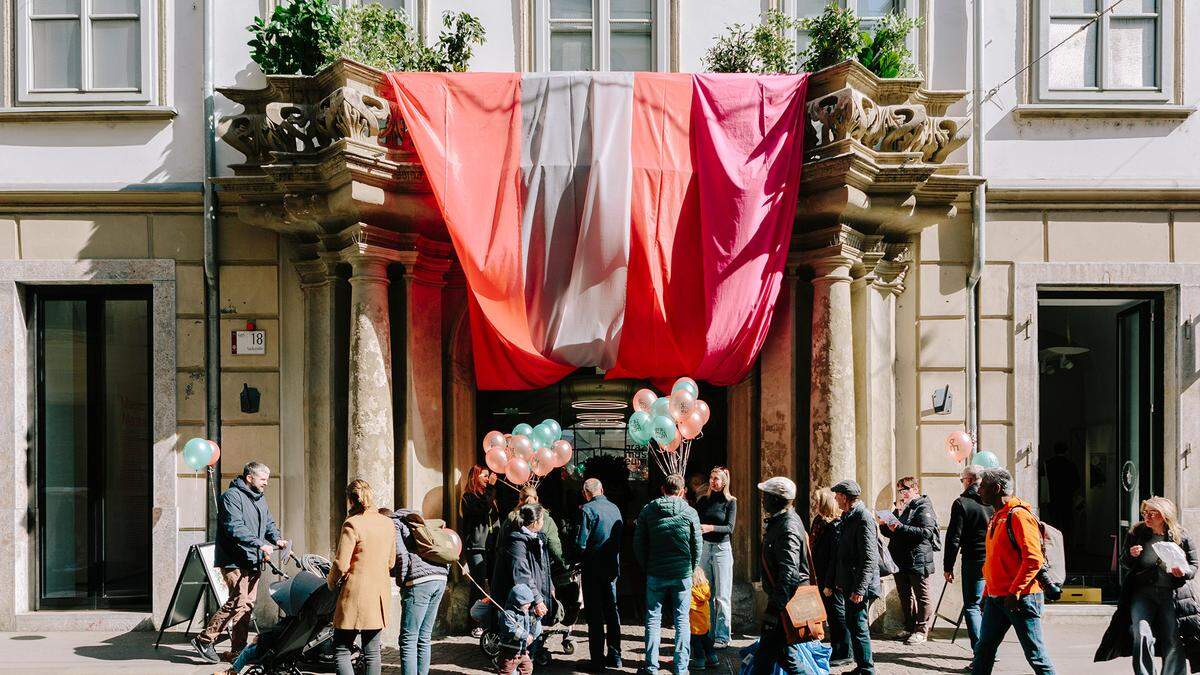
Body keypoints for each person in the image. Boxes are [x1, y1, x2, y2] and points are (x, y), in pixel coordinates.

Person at [192, 461, 289, 664]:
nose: (266, 484)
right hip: (233, 559)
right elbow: (234, 527)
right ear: (250, 478)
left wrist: (276, 538)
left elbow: (268, 523)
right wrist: (259, 544)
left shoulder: (259, 498)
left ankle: (238, 651)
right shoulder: (231, 497)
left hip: (252, 558)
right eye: (263, 479)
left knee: (246, 606)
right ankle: (204, 639)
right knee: (237, 601)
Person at [1096, 496, 1200, 675]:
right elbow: (1124, 562)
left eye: (1153, 513)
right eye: (1145, 513)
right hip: (1143, 593)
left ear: (1165, 515)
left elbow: (1194, 565)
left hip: (1172, 594)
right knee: (1141, 633)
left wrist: (1183, 572)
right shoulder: (1137, 533)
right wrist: (1132, 555)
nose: (1147, 517)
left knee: (1172, 637)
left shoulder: (1180, 535)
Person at [971, 467, 1055, 675]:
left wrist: (1015, 591)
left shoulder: (1018, 516)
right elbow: (994, 561)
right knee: (984, 650)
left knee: (1036, 655)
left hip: (1021, 598)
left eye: (982, 486)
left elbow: (1033, 559)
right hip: (997, 597)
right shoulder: (998, 515)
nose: (978, 490)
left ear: (997, 488)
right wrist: (986, 593)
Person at [634, 473, 703, 675]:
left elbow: (638, 543)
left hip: (656, 572)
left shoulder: (648, 510)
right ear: (682, 491)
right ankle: (681, 668)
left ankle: (651, 666)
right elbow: (697, 545)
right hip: (682, 573)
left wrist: (646, 565)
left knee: (653, 619)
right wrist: (691, 568)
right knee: (682, 620)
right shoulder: (690, 512)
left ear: (663, 489)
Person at [327, 479, 397, 675]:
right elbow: (391, 562)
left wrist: (330, 583)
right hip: (379, 595)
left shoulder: (352, 523)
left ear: (350, 501)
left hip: (355, 595)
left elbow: (341, 564)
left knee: (342, 649)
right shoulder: (387, 523)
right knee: (372, 652)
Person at [752, 476, 812, 675]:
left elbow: (789, 573)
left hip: (784, 604)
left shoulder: (788, 527)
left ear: (777, 499)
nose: (762, 500)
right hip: (781, 601)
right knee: (772, 656)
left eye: (766, 496)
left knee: (780, 658)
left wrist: (774, 609)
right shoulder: (780, 521)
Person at [386, 508, 450, 675]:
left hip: (420, 582)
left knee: (408, 639)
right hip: (440, 577)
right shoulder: (414, 520)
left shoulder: (394, 524)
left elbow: (401, 556)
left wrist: (402, 583)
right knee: (424, 637)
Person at [878, 476, 940, 645]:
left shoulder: (923, 506)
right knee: (905, 594)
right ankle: (909, 626)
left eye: (905, 489)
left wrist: (900, 527)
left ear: (915, 489)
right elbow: (893, 533)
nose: (902, 493)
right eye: (900, 490)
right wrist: (885, 525)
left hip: (918, 558)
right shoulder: (901, 507)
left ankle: (921, 629)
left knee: (922, 595)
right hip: (900, 559)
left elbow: (926, 532)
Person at [831, 479, 881, 675]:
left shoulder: (863, 518)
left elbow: (869, 558)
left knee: (859, 627)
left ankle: (867, 669)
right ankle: (861, 666)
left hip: (859, 585)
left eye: (837, 495)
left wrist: (859, 589)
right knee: (853, 625)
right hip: (850, 582)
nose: (835, 498)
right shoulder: (849, 516)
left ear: (844, 497)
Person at [944, 465, 994, 649]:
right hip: (993, 558)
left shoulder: (962, 502)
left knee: (972, 605)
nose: (962, 484)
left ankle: (981, 653)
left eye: (962, 480)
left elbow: (953, 538)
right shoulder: (993, 500)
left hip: (973, 558)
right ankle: (989, 650)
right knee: (989, 606)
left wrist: (947, 566)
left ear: (969, 480)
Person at [577, 477, 624, 671]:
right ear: (602, 489)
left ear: (586, 493)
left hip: (592, 569)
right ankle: (615, 655)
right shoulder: (615, 508)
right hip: (612, 567)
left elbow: (581, 543)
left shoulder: (586, 510)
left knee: (595, 615)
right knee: (612, 612)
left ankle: (597, 660)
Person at [492, 503, 554, 634]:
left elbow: (541, 568)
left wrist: (549, 587)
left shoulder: (535, 538)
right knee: (529, 634)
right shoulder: (517, 542)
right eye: (542, 519)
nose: (544, 522)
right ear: (535, 522)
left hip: (531, 595)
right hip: (520, 601)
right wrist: (537, 600)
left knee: (534, 633)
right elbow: (522, 574)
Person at [696, 466, 737, 649]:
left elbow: (730, 528)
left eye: (717, 478)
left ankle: (723, 636)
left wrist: (710, 528)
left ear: (724, 481)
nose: (713, 481)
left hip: (722, 549)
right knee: (705, 592)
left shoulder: (730, 502)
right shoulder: (704, 500)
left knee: (722, 596)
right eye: (712, 478)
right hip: (705, 547)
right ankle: (708, 632)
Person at [811, 488, 851, 668]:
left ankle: (844, 651)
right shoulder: (819, 522)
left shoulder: (836, 526)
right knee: (831, 615)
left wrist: (829, 584)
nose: (815, 505)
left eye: (818, 501)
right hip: (819, 574)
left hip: (831, 579)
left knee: (837, 616)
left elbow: (835, 559)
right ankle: (835, 648)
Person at [497, 485, 567, 583]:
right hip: (538, 570)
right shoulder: (546, 519)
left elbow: (500, 545)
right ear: (537, 498)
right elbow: (554, 547)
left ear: (520, 500)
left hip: (514, 571)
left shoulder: (510, 520)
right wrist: (562, 565)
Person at [460, 464, 497, 637]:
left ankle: (490, 620)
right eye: (484, 476)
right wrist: (491, 488)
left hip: (491, 546)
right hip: (476, 546)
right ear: (475, 477)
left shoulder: (488, 496)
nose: (487, 478)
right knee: (479, 584)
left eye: (488, 476)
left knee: (493, 584)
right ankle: (475, 623)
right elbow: (482, 511)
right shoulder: (468, 497)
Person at [496, 583, 542, 675]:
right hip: (509, 652)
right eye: (526, 602)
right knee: (506, 671)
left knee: (528, 668)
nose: (529, 605)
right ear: (517, 601)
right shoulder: (508, 614)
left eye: (530, 602)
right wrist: (525, 636)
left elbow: (533, 623)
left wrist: (533, 634)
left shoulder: (526, 612)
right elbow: (510, 630)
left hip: (522, 651)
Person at [689, 567, 718, 671]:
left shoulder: (690, 591)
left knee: (696, 644)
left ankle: (699, 661)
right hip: (705, 624)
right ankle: (713, 659)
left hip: (693, 625)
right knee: (706, 641)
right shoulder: (705, 588)